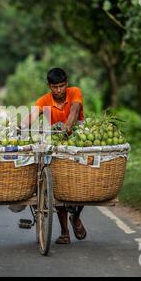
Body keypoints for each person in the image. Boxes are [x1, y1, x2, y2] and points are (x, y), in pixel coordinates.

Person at [21, 67, 87, 244]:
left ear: (67, 83)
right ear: (49, 86)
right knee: (56, 186)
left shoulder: (75, 92)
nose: (59, 90)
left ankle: (76, 217)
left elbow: (74, 110)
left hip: (77, 140)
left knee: (82, 183)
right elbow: (31, 116)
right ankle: (65, 232)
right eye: (55, 87)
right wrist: (20, 126)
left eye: (62, 86)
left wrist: (67, 127)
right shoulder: (45, 100)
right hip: (55, 143)